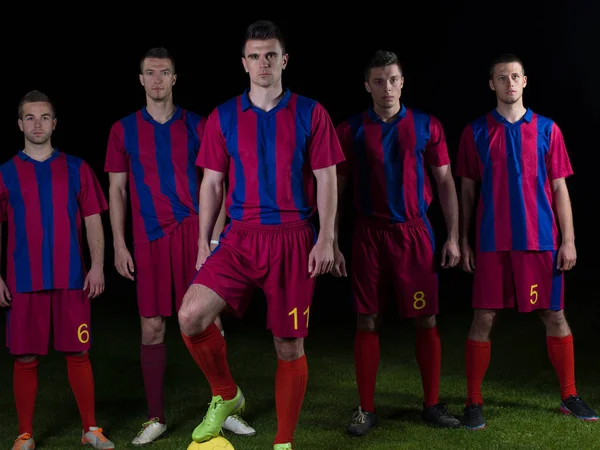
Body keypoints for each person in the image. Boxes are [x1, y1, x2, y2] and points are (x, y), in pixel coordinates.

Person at [176, 20, 345, 450]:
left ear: (284, 60)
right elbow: (212, 183)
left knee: (288, 345)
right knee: (191, 315)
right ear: (244, 63)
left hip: (293, 237)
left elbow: (327, 179)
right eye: (255, 55)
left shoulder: (311, 112)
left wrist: (327, 238)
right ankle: (227, 395)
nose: (263, 62)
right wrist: (202, 241)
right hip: (239, 237)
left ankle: (283, 442)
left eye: (271, 54)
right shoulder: (223, 116)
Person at [104, 47, 255, 445]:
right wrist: (119, 244)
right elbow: (117, 191)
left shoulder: (197, 125)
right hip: (149, 237)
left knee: (208, 319)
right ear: (141, 80)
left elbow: (218, 182)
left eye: (164, 72)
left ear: (174, 79)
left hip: (193, 234)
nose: (157, 79)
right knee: (152, 327)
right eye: (150, 73)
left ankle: (224, 404)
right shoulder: (123, 130)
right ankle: (156, 417)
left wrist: (216, 236)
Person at [456, 53, 598, 429]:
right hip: (491, 241)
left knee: (554, 315)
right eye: (501, 77)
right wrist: (464, 240)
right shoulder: (475, 131)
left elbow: (559, 188)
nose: (509, 83)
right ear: (492, 84)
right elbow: (467, 191)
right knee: (483, 317)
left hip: (540, 240)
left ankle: (569, 395)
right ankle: (473, 402)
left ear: (525, 81)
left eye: (515, 76)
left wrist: (568, 240)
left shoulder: (549, 129)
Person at [334, 50, 462, 436]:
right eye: (378, 80)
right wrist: (332, 241)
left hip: (414, 233)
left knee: (426, 317)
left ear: (402, 81)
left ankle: (432, 404)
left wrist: (454, 236)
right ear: (366, 86)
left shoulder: (426, 125)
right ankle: (366, 409)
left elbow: (444, 183)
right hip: (368, 235)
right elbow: (336, 189)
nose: (386, 87)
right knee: (367, 318)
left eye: (392, 79)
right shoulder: (350, 129)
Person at [0, 90, 115, 449]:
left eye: (44, 117)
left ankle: (90, 430)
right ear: (20, 124)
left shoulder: (77, 167)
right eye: (30, 118)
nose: (37, 124)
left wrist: (96, 266)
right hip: (24, 280)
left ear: (54, 123)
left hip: (70, 278)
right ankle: (25, 434)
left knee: (79, 352)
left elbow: (94, 218)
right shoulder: (5, 173)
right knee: (25, 356)